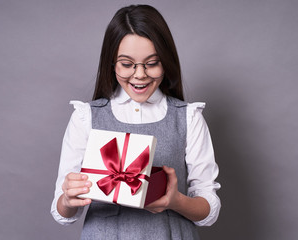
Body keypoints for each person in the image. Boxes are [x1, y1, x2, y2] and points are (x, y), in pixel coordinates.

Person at [51, 4, 221, 240]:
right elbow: (62, 212)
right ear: (112, 64)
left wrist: (176, 201)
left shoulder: (189, 118)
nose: (139, 74)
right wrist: (69, 199)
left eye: (151, 63)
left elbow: (209, 211)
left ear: (166, 61)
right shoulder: (85, 117)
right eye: (127, 64)